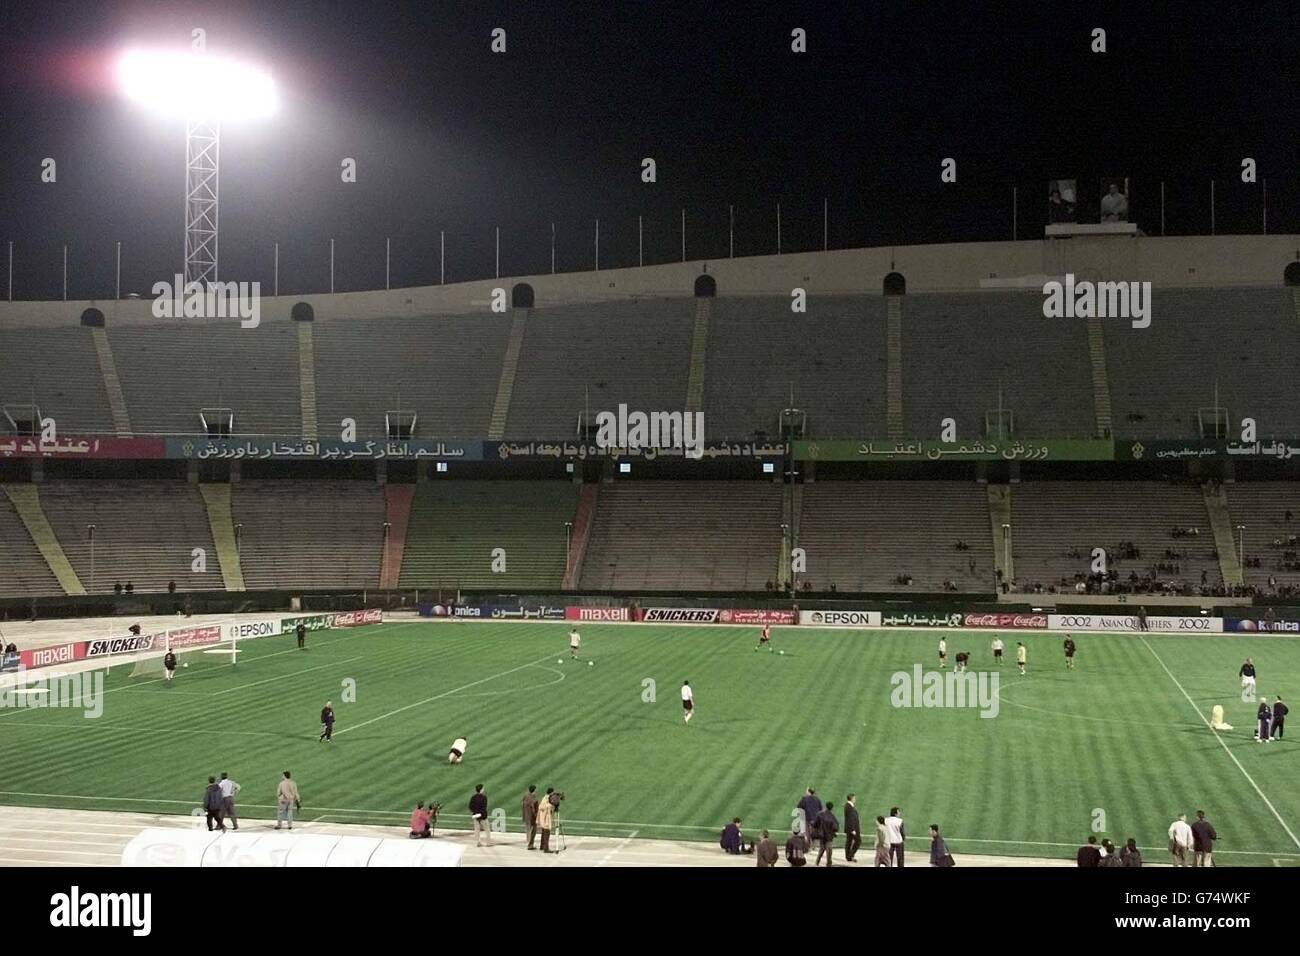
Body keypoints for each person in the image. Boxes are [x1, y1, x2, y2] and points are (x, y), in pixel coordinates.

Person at [814, 802, 839, 867]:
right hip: (829, 836)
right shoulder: (832, 817)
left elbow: (815, 824)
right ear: (832, 808)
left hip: (822, 835)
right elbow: (836, 828)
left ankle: (817, 862)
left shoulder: (820, 814)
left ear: (825, 806)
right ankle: (828, 864)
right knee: (829, 851)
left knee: (821, 849)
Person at [536, 787, 556, 853]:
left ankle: (542, 846)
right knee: (546, 834)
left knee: (544, 833)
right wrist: (550, 805)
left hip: (544, 819)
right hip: (545, 820)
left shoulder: (546, 798)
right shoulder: (546, 799)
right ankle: (546, 849)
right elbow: (541, 807)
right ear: (551, 792)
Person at [843, 794, 861, 862]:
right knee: (858, 841)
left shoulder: (849, 806)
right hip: (852, 828)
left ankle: (849, 856)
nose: (855, 799)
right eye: (854, 798)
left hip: (851, 828)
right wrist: (853, 829)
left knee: (849, 842)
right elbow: (850, 819)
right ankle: (850, 855)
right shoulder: (849, 807)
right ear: (852, 798)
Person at [521, 785, 539, 850]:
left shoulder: (525, 795)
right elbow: (533, 807)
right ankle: (529, 843)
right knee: (531, 829)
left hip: (526, 815)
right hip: (530, 816)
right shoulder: (532, 797)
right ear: (533, 790)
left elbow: (522, 804)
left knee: (528, 829)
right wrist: (535, 815)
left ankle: (528, 841)